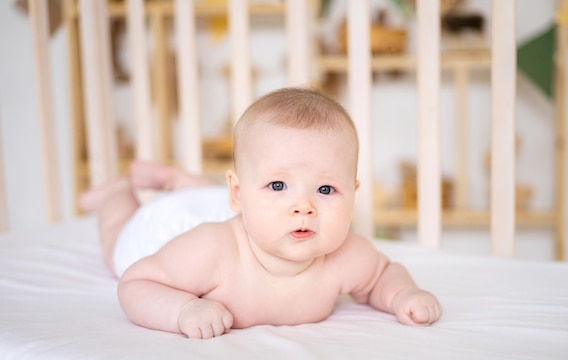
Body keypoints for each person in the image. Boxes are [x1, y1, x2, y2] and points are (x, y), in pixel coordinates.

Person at [81, 87, 442, 339]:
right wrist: (182, 311)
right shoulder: (209, 251)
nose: (304, 206)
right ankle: (116, 194)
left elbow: (383, 275)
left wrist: (403, 296)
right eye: (279, 186)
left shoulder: (345, 255)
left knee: (231, 199)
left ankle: (183, 180)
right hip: (168, 229)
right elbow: (136, 283)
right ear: (237, 193)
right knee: (119, 241)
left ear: (353, 196)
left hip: (233, 209)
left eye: (326, 190)